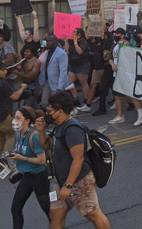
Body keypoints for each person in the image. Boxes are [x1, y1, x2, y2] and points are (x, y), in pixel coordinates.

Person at [34, 90, 111, 229]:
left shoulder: (72, 129)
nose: (46, 114)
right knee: (55, 215)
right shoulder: (59, 127)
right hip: (61, 180)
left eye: (49, 111)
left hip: (79, 181)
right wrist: (41, 131)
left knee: (93, 215)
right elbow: (47, 146)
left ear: (60, 111)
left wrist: (68, 185)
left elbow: (78, 158)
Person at [7, 106, 51, 229]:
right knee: (15, 209)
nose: (14, 121)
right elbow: (19, 152)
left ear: (27, 121)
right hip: (27, 176)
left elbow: (41, 160)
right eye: (14, 117)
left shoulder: (35, 136)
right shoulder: (18, 134)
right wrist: (18, 170)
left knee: (47, 209)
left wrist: (22, 158)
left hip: (39, 176)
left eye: (18, 118)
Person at [39, 34, 69, 109]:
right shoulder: (47, 52)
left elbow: (63, 71)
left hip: (57, 83)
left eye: (50, 41)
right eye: (47, 41)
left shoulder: (61, 53)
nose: (48, 43)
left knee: (56, 104)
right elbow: (45, 68)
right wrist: (42, 82)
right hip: (47, 81)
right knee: (44, 103)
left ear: (55, 41)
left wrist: (60, 87)